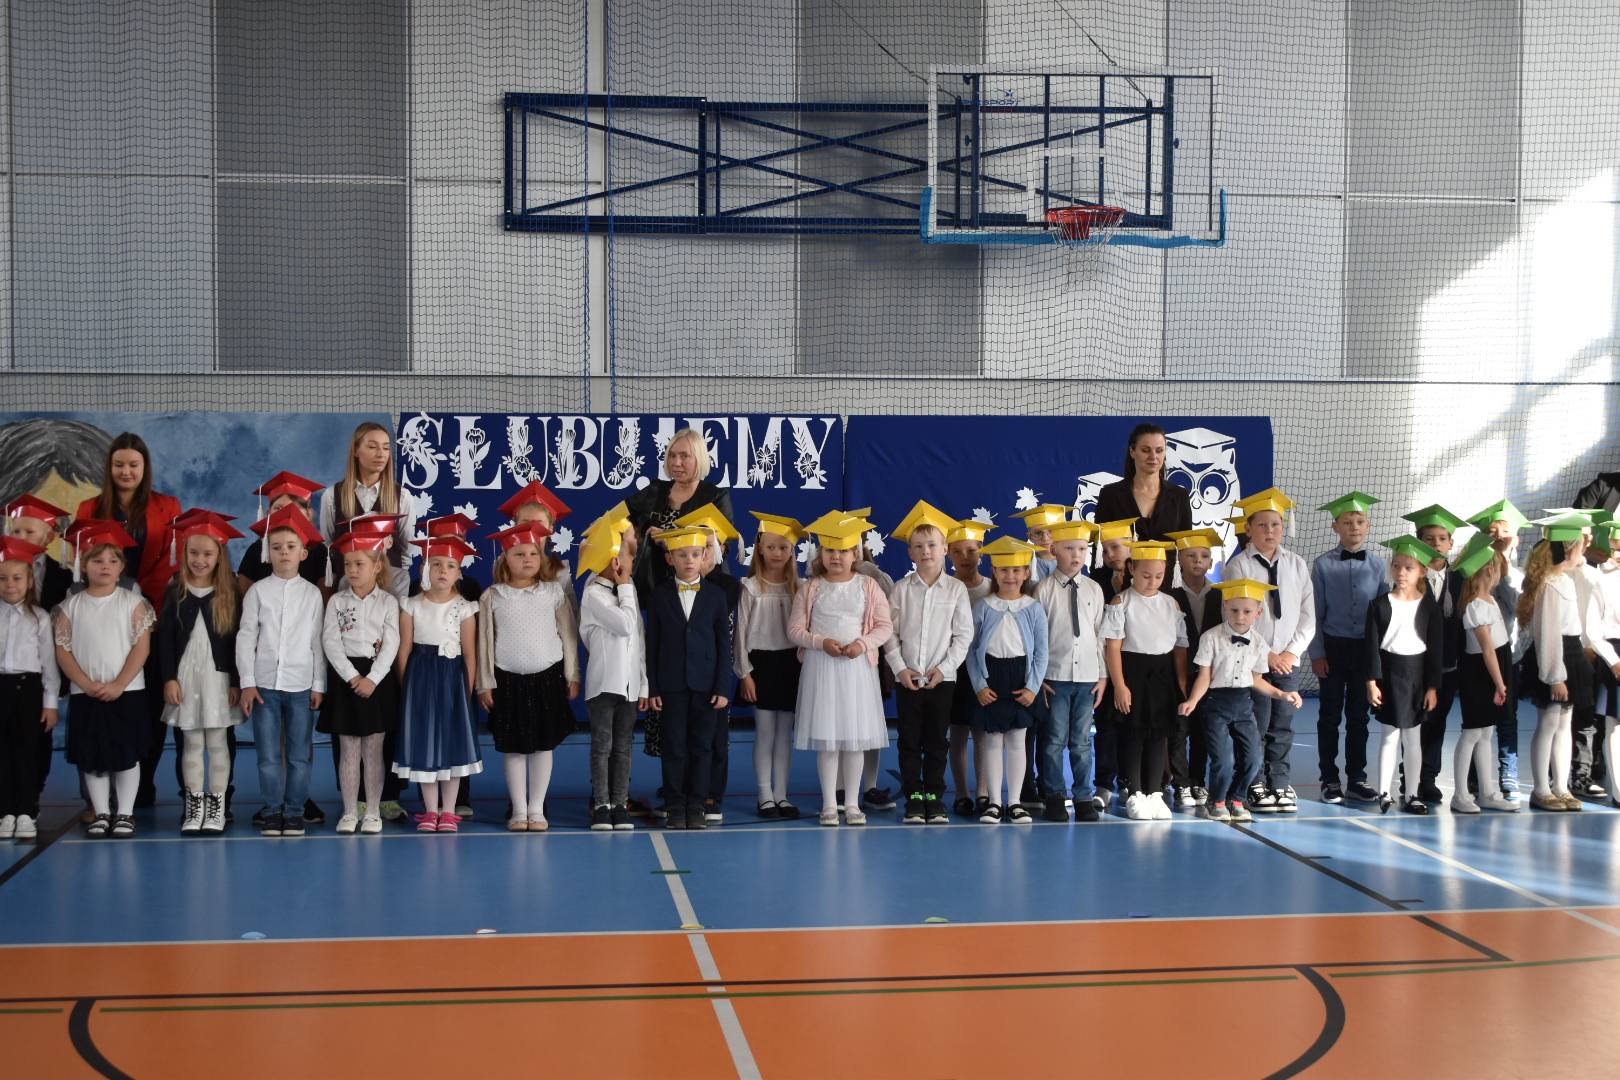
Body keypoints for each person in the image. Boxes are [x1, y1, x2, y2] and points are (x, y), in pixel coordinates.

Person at [74, 433, 180, 809]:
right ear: (109, 467)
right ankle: (97, 795)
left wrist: (143, 602)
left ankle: (142, 783)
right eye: (119, 464)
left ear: (144, 468)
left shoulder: (167, 505)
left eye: (134, 465)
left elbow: (172, 560)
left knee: (147, 703)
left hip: (150, 611)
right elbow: (82, 563)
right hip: (101, 616)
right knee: (100, 702)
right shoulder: (90, 507)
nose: (126, 471)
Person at [788, 511, 892, 827]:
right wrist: (821, 642)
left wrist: (863, 644)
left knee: (854, 739)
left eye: (843, 551)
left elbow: (884, 626)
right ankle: (830, 804)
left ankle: (853, 803)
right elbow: (794, 630)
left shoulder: (868, 586)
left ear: (854, 554)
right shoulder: (811, 587)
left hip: (857, 671)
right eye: (831, 550)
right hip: (822, 669)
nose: (836, 557)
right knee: (829, 739)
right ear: (821, 554)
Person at [476, 520, 579, 833]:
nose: (527, 559)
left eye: (533, 554)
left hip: (547, 678)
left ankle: (537, 808)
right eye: (519, 554)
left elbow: (568, 635)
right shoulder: (493, 596)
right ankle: (519, 809)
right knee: (514, 747)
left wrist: (572, 674)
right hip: (508, 681)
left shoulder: (552, 592)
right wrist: (485, 682)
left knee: (543, 746)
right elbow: (484, 642)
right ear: (505, 559)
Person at [54, 520, 154, 838]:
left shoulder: (134, 604)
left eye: (112, 560)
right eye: (97, 560)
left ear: (121, 567)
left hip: (127, 691)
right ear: (84, 565)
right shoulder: (70, 607)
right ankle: (101, 812)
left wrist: (119, 684)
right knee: (92, 756)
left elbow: (141, 648)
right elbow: (63, 652)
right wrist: (85, 684)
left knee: (126, 755)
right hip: (87, 692)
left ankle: (125, 813)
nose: (105, 566)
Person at [1178, 579, 1303, 823]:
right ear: (1225, 606)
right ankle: (1217, 801)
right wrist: (1193, 700)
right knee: (1224, 760)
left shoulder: (1259, 642)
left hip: (1244, 706)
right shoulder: (1211, 637)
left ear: (1258, 613)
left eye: (1247, 611)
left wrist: (1282, 694)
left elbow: (1256, 680)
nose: (1240, 617)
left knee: (1253, 758)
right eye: (1234, 610)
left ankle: (1237, 798)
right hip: (1216, 705)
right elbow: (1205, 676)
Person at [237, 506, 327, 837]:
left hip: (301, 685)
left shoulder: (312, 594)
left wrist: (318, 684)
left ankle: (294, 811)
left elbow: (317, 641)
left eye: (291, 546)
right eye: (276, 547)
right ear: (267, 553)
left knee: (300, 755)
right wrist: (247, 682)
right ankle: (272, 810)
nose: (284, 552)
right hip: (264, 687)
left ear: (303, 552)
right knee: (268, 755)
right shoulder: (258, 592)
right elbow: (246, 638)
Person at [1224, 488, 1314, 814]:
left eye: (1275, 524)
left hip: (1287, 661)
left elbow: (1308, 614)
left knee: (1283, 725)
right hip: (1253, 663)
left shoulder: (1296, 564)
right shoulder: (1238, 567)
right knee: (1255, 725)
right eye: (1262, 525)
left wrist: (1291, 653)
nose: (1270, 531)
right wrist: (1266, 656)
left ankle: (1279, 781)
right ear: (1249, 529)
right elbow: (1235, 619)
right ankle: (1254, 781)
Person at [884, 501, 973, 824]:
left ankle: (934, 796)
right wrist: (900, 668)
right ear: (910, 551)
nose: (926, 551)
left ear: (945, 549)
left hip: (941, 680)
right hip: (908, 679)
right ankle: (914, 797)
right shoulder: (901, 590)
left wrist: (944, 669)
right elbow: (889, 633)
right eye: (919, 546)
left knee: (937, 740)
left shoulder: (956, 590)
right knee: (909, 740)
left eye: (932, 545)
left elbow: (963, 635)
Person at [157, 511, 243, 835]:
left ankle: (217, 806)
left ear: (219, 555)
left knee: (219, 742)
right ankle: (194, 806)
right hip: (186, 679)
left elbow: (236, 642)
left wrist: (236, 682)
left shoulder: (229, 592)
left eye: (207, 554)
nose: (200, 560)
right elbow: (165, 640)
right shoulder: (175, 590)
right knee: (191, 742)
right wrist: (169, 677)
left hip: (218, 680)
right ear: (184, 552)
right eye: (193, 553)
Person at [645, 525, 733, 830]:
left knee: (702, 746)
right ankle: (674, 805)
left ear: (705, 555)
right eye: (682, 555)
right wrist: (653, 687)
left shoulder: (717, 596)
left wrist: (723, 687)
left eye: (695, 554)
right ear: (670, 558)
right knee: (674, 746)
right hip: (671, 685)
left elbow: (724, 645)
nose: (689, 560)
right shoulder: (659, 596)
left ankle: (696, 804)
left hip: (706, 685)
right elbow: (652, 644)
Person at [397, 535, 482, 832]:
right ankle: (430, 810)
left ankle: (448, 811)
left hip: (452, 681)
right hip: (421, 679)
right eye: (436, 564)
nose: (443, 571)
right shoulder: (411, 606)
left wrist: (465, 690)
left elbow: (470, 654)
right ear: (425, 569)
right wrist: (407, 686)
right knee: (425, 742)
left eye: (450, 566)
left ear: (459, 573)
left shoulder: (466, 608)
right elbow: (404, 650)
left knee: (451, 743)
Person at [319, 530, 401, 835]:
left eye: (359, 564)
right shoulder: (337, 602)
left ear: (377, 566)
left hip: (377, 680)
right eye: (348, 564)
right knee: (349, 748)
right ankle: (350, 811)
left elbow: (391, 643)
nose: (352, 570)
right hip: (347, 679)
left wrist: (373, 678)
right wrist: (352, 676)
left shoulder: (388, 602)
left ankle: (373, 812)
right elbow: (330, 641)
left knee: (374, 750)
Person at [1308, 493, 1387, 805]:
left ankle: (1357, 778)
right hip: (1333, 647)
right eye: (1347, 522)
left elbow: (1384, 615)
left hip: (1365, 650)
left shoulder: (1379, 566)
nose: (1354, 527)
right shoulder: (1322, 565)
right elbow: (1315, 613)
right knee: (1329, 715)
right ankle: (1329, 778)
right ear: (1335, 527)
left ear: (1368, 525)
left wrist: (1379, 660)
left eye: (1359, 521)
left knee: (1359, 716)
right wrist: (1317, 653)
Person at [1102, 541, 1188, 821]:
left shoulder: (1171, 604)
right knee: (1134, 735)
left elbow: (1180, 648)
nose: (1152, 582)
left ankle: (1155, 793)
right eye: (1146, 575)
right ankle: (1135, 792)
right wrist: (1120, 685)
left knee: (1158, 736)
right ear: (1132, 569)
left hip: (1162, 675)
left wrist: (1181, 683)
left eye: (1159, 576)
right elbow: (1113, 646)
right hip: (1133, 673)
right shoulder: (1121, 602)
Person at [967, 536, 1048, 824]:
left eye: (1016, 570)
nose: (1010, 576)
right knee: (991, 741)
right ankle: (994, 802)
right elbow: (971, 650)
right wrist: (980, 685)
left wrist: (1033, 688)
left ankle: (1014, 802)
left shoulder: (1033, 608)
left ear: (1026, 572)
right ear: (994, 571)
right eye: (1003, 570)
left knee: (1017, 740)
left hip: (1021, 679)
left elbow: (1042, 652)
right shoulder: (983, 607)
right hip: (991, 677)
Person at [1517, 515, 1593, 812]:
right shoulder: (1549, 585)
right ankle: (1541, 789)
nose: (1584, 551)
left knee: (1565, 724)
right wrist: (1554, 676)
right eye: (1580, 546)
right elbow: (1547, 633)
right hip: (1555, 657)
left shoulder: (1565, 579)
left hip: (1570, 653)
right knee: (1548, 723)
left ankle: (1561, 786)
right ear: (1568, 550)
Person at [5, 496, 73, 826]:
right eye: (15, 531)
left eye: (29, 532)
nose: (21, 537)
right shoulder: (3, 572)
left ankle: (31, 799)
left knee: (36, 740)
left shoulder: (63, 576)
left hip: (42, 670)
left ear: (49, 536)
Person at [1033, 519, 1106, 823]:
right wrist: (1039, 678)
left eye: (1082, 549)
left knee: (1082, 741)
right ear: (1054, 550)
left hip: (1087, 677)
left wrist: (1103, 675)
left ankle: (1083, 796)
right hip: (1056, 677)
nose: (1076, 555)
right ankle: (1053, 795)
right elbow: (1037, 637)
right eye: (1068, 549)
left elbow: (1100, 634)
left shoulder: (1094, 589)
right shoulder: (1043, 590)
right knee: (1053, 740)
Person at [1365, 535, 1444, 815]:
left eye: (1408, 567)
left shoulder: (1429, 607)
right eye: (1396, 566)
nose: (1401, 572)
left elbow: (1435, 651)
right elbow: (1371, 647)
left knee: (1413, 737)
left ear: (1422, 570)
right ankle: (1384, 792)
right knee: (1389, 734)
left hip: (1416, 676)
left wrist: (1432, 687)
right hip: (1389, 674)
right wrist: (1371, 682)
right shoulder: (1379, 605)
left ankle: (1412, 793)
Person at [578, 513, 646, 831]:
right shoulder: (594, 593)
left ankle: (620, 802)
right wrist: (625, 587)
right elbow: (624, 625)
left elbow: (639, 640)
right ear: (614, 562)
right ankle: (602, 804)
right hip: (604, 684)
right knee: (602, 745)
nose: (631, 564)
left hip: (629, 685)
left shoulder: (627, 592)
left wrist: (643, 684)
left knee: (623, 746)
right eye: (628, 558)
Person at [736, 512, 805, 820]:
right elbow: (740, 634)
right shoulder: (750, 587)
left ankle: (782, 795)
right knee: (765, 732)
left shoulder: (800, 587)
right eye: (771, 547)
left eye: (784, 547)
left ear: (792, 551)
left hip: (791, 663)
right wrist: (745, 673)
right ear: (760, 549)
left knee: (784, 733)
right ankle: (764, 795)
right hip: (761, 663)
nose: (777, 553)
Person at [1449, 536, 1519, 813]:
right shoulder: (1475, 606)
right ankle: (1460, 795)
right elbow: (1487, 650)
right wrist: (1500, 683)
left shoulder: (1489, 600)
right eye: (1499, 568)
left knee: (1486, 733)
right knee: (1472, 733)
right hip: (1480, 674)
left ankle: (1487, 792)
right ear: (1489, 570)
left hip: (1494, 668)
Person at [1404, 505, 1469, 803]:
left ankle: (1428, 777)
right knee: (1416, 722)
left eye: (1442, 539)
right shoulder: (1409, 577)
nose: (1436, 544)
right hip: (1416, 664)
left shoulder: (1461, 579)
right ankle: (1410, 778)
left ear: (1451, 543)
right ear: (1419, 542)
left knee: (1439, 721)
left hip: (1448, 664)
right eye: (1429, 539)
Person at [1467, 499, 1531, 796]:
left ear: (1515, 539)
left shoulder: (1516, 576)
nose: (1499, 537)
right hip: (1479, 657)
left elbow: (1519, 610)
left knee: (1508, 717)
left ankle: (1509, 772)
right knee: (1477, 720)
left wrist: (1503, 571)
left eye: (1505, 532)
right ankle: (1475, 776)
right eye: (1492, 532)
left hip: (1509, 656)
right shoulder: (1474, 573)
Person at [626, 428, 735, 596]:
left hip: (701, 591)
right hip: (655, 591)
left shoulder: (716, 497)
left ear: (699, 458)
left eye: (684, 456)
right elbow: (620, 519)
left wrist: (669, 539)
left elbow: (718, 550)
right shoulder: (655, 490)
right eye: (672, 455)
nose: (676, 462)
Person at [0, 536, 59, 842]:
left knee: (26, 751)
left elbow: (49, 665)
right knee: (3, 753)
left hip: (29, 691)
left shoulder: (40, 618)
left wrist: (50, 704)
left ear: (29, 581)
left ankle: (26, 810)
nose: (10, 585)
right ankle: (5, 811)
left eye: (17, 578)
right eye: (3, 578)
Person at [319, 423, 417, 601]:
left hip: (390, 590)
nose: (381, 454)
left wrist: (393, 580)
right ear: (356, 450)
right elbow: (329, 545)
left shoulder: (402, 497)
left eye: (386, 448)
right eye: (372, 447)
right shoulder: (332, 496)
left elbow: (406, 550)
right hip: (347, 588)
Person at [1162, 527, 1224, 807]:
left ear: (1211, 562)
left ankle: (1198, 781)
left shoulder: (1220, 594)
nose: (1198, 561)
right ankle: (1181, 783)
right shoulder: (1169, 594)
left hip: (1210, 671)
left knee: (1202, 731)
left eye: (1204, 556)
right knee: (1179, 730)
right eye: (1190, 556)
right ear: (1179, 559)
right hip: (1177, 670)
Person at [945, 516, 994, 815]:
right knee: (958, 733)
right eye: (958, 551)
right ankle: (962, 792)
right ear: (948, 553)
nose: (965, 557)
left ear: (981, 552)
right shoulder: (946, 588)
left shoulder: (991, 588)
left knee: (982, 733)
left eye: (971, 550)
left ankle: (984, 792)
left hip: (985, 669)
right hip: (954, 667)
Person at [1094, 423, 1194, 542]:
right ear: (1132, 451)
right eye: (1145, 450)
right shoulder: (1109, 495)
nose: (1153, 456)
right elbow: (1099, 546)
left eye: (1159, 450)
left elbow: (1186, 547)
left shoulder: (1180, 496)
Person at [1579, 520, 1620, 808]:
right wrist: (1614, 660)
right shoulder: (1603, 581)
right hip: (1614, 653)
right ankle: (1618, 790)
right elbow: (1593, 628)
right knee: (1614, 726)